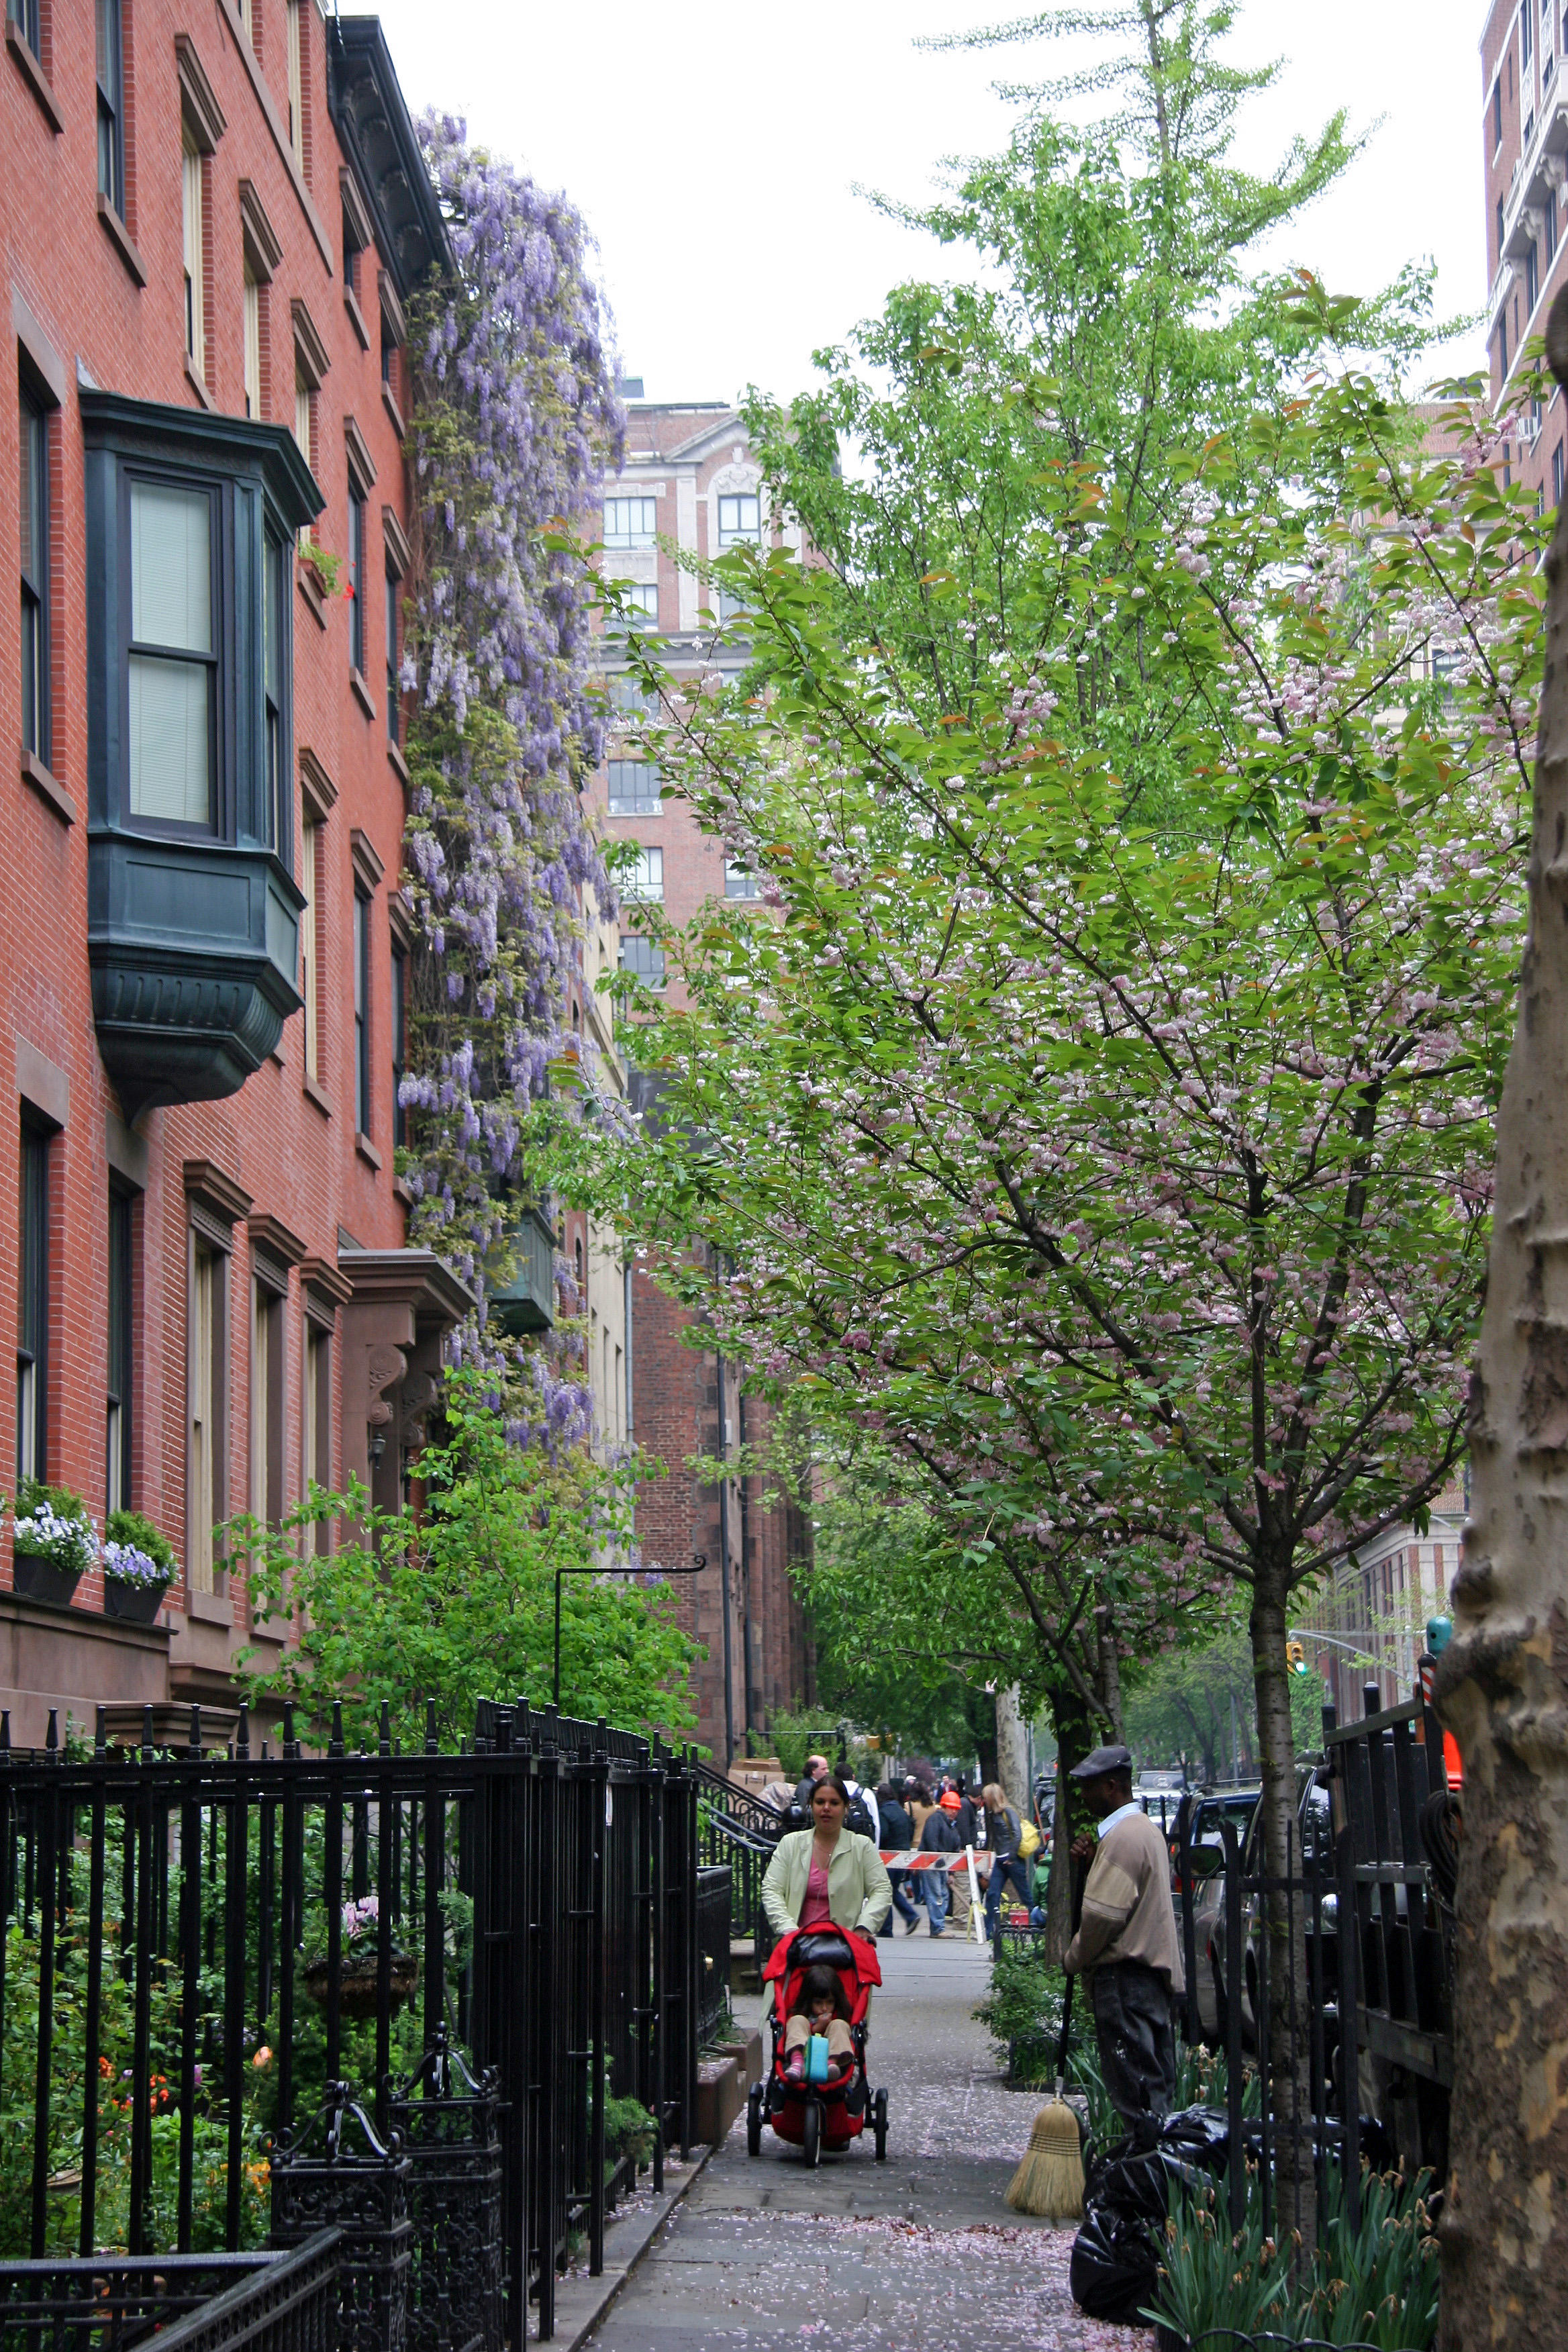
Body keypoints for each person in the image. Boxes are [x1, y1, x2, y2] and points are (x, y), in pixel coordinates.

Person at [1063, 1744, 1184, 2142]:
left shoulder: (1125, 1838)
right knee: (1153, 2089)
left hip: (1125, 1982)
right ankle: (1156, 2177)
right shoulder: (1143, 1831)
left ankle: (1149, 2180)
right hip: (1147, 1980)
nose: (1083, 1795)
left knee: (1136, 2092)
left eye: (1090, 1787)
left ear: (1112, 1787)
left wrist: (1074, 1957)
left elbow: (1104, 1916)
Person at [762, 1773, 893, 1954]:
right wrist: (787, 1928)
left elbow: (882, 1889)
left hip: (846, 1949)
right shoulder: (790, 1844)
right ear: (811, 1805)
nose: (826, 1808)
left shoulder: (862, 1847)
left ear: (846, 1807)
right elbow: (771, 1888)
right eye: (820, 1802)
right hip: (797, 1949)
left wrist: (865, 1926)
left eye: (834, 1803)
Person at [782, 1961, 855, 2085]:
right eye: (818, 2003)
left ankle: (831, 2065)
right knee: (796, 2021)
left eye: (830, 2002)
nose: (825, 2008)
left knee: (840, 2025)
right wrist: (816, 2028)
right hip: (805, 2053)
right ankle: (797, 2062)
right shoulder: (804, 2013)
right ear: (809, 2001)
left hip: (831, 2055)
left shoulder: (839, 2013)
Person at [980, 1781, 1032, 1943]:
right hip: (1001, 1861)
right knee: (993, 1894)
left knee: (1025, 1896)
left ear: (992, 1797)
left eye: (985, 1797)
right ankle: (989, 1931)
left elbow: (1017, 1834)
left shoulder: (1008, 1812)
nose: (983, 1800)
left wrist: (1012, 1856)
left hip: (1012, 1861)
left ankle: (1039, 1925)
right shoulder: (992, 1814)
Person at [874, 1782, 920, 1935]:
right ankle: (909, 1917)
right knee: (891, 1890)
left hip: (889, 1856)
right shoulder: (901, 1811)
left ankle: (888, 1928)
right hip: (904, 1854)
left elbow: (884, 1834)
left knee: (886, 1890)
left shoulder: (883, 1812)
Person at [918, 1792, 960, 1934]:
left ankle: (938, 1926)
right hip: (933, 1864)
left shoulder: (950, 1824)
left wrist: (951, 1872)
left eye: (956, 1809)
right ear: (944, 1807)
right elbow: (931, 1842)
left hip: (941, 1865)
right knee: (936, 1894)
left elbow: (954, 1848)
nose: (954, 1811)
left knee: (942, 1894)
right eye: (951, 1808)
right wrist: (938, 1862)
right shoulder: (936, 1820)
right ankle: (938, 1928)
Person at [790, 1753, 830, 1819]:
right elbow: (806, 1810)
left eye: (827, 1768)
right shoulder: (806, 1787)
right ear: (813, 1771)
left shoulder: (813, 1784)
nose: (827, 1771)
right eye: (823, 1769)